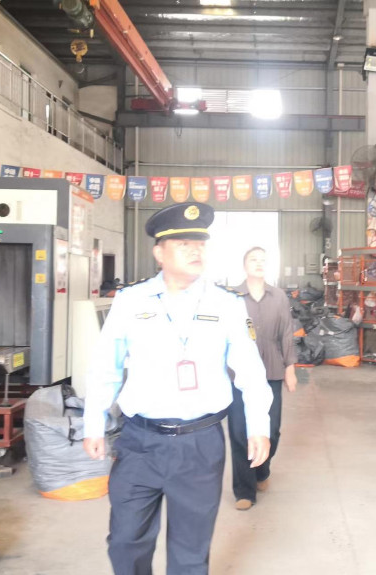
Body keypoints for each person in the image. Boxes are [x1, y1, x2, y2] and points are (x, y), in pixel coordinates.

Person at [83, 201, 273, 575]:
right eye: (184, 243)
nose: (195, 250)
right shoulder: (130, 301)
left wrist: (259, 426)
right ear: (159, 253)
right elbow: (106, 365)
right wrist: (94, 422)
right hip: (140, 442)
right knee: (125, 541)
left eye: (200, 243)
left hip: (199, 445)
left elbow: (251, 371)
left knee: (190, 552)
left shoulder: (226, 304)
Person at [228, 246, 299, 510]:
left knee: (272, 429)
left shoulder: (278, 296)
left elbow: (287, 333)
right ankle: (244, 491)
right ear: (244, 265)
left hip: (271, 368)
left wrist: (290, 368)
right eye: (253, 259)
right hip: (238, 372)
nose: (259, 263)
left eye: (263, 260)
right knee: (239, 431)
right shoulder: (232, 297)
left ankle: (262, 470)